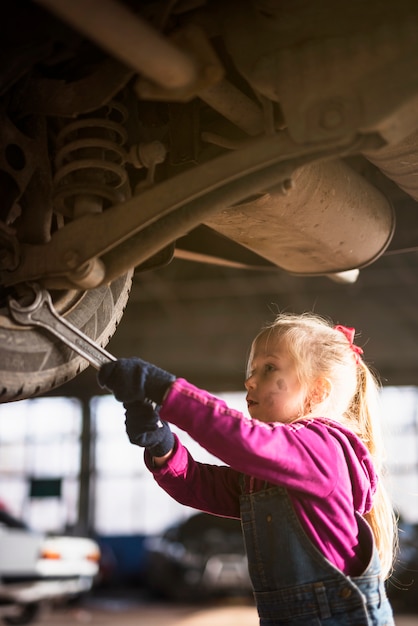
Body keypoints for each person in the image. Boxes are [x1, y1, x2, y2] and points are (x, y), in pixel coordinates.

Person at [98, 312, 397, 625]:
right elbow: (202, 485)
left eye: (269, 368)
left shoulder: (322, 447)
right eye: (252, 369)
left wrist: (165, 390)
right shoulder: (271, 470)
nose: (249, 381)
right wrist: (163, 447)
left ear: (318, 392)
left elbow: (240, 438)